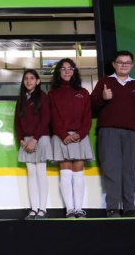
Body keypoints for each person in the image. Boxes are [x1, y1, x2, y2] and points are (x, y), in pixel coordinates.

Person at [90, 51, 135, 218]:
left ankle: (130, 207)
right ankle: (112, 208)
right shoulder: (105, 82)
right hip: (108, 132)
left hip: (131, 133)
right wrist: (102, 97)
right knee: (111, 170)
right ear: (114, 64)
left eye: (127, 62)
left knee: (129, 171)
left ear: (132, 65)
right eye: (120, 62)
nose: (124, 65)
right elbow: (92, 105)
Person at [48, 59, 93, 218]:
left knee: (78, 173)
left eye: (70, 68)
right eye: (63, 69)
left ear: (74, 71)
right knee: (65, 172)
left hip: (80, 137)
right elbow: (52, 117)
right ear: (59, 72)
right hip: (62, 137)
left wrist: (79, 134)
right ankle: (69, 209)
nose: (67, 71)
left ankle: (79, 209)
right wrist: (63, 135)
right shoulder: (52, 93)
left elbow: (87, 118)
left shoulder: (84, 92)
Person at [14, 69, 52, 220]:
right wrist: (22, 140)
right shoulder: (22, 99)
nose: (28, 81)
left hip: (41, 138)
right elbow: (17, 122)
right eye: (26, 79)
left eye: (32, 78)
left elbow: (45, 120)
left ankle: (43, 209)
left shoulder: (43, 97)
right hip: (26, 140)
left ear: (38, 81)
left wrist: (35, 139)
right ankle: (33, 209)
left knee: (41, 173)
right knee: (31, 174)